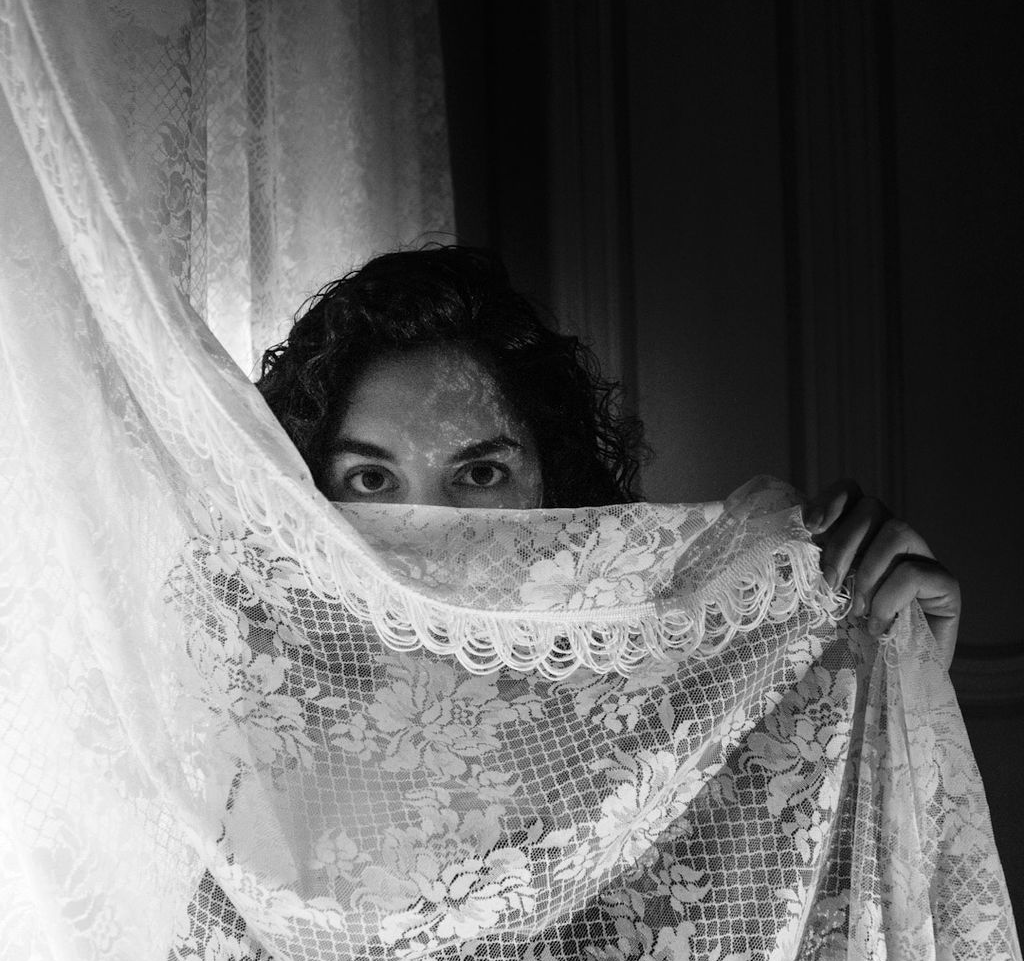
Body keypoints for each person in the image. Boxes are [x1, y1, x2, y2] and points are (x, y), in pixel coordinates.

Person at [258, 244, 963, 668]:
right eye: (373, 479)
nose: (430, 528)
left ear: (553, 483)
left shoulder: (674, 698)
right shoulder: (265, 727)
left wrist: (904, 666)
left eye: (479, 474)